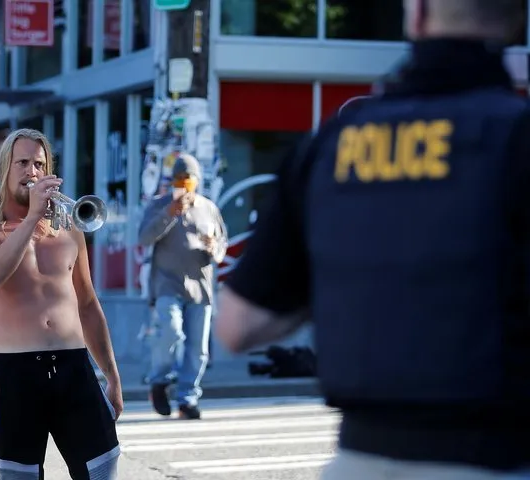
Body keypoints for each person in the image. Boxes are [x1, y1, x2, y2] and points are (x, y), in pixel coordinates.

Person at [215, 0, 530, 478]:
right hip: (497, 457)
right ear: (518, 21)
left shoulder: (331, 143)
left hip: (359, 458)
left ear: (419, 13)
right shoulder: (515, 136)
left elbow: (238, 326)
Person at [0, 128, 122, 480]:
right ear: (6, 167)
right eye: (22, 162)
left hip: (74, 368)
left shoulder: (68, 228)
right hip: (15, 374)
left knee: (101, 470)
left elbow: (88, 303)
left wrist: (111, 374)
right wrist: (32, 217)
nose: (31, 171)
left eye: (39, 163)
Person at [138, 153, 227, 420]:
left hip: (201, 287)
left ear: (197, 181)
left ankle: (187, 398)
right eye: (179, 178)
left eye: (188, 179)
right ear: (172, 181)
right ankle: (159, 381)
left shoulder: (209, 208)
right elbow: (143, 237)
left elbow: (222, 243)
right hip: (167, 284)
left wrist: (215, 249)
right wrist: (169, 213)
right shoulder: (159, 204)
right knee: (172, 333)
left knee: (198, 349)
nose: (184, 183)